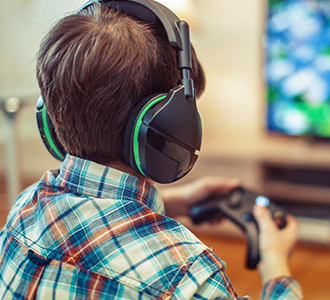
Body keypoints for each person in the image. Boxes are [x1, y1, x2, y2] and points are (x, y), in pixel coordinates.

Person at [0, 1, 303, 299]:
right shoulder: (188, 278)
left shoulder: (23, 209)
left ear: (50, 118)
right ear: (173, 124)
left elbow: (91, 232)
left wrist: (171, 203)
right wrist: (276, 266)